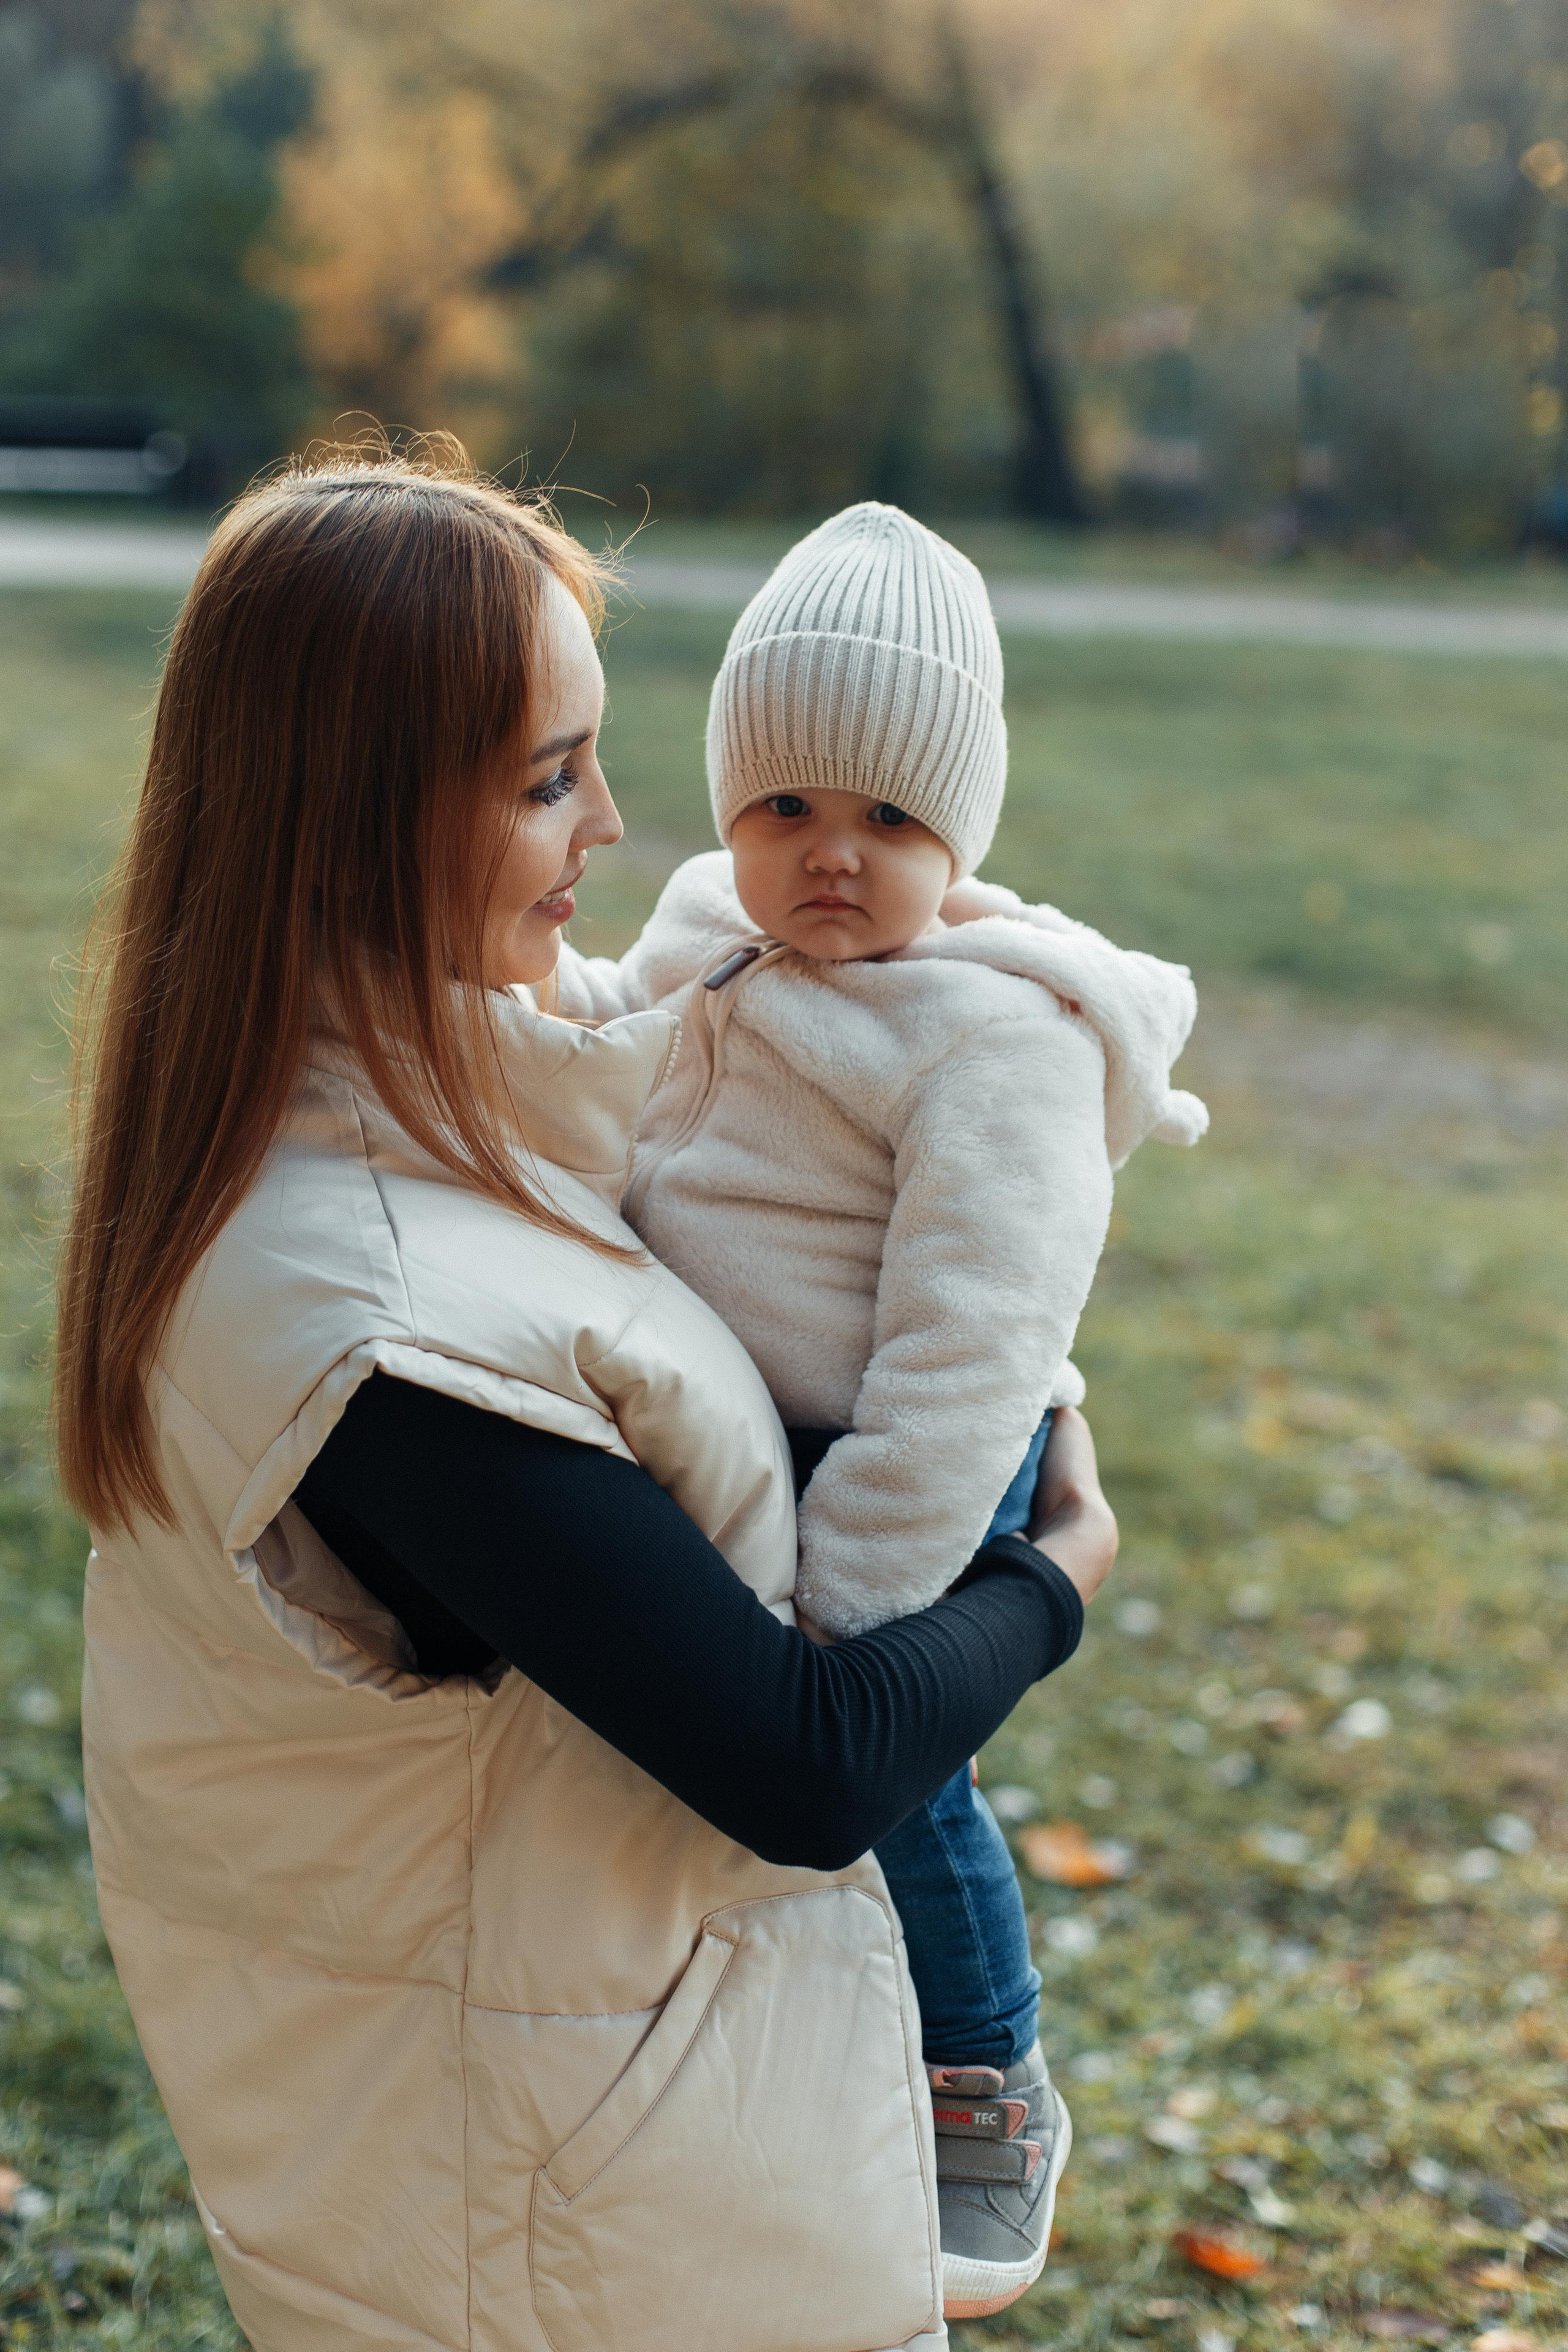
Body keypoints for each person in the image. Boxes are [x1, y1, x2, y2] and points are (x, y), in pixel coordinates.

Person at [54, 449, 1120, 2352]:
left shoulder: (407, 1106)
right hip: (574, 2238)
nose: (619, 828)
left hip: (598, 2142)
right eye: (550, 776)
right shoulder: (375, 1323)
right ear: (359, 810)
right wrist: (1056, 1574)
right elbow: (808, 1764)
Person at [555, 500, 1206, 2317]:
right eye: (785, 809)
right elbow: (605, 1024)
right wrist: (509, 1007)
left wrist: (851, 1614)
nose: (829, 857)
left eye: (890, 821)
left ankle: (988, 2075)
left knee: (905, 1782)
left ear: (962, 834)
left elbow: (973, 1342)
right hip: (755, 1420)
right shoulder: (714, 924)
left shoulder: (995, 1043)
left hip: (905, 1444)